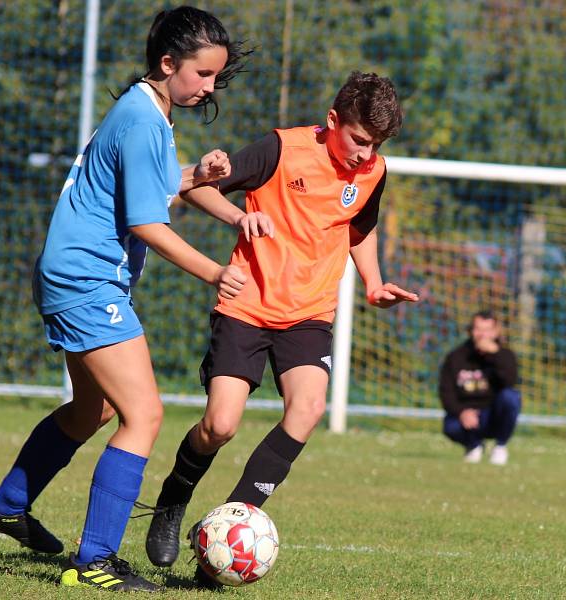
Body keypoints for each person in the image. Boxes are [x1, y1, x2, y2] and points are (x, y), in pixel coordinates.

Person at [0, 6, 254, 593]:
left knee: (91, 410)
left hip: (74, 274)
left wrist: (199, 177)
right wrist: (213, 272)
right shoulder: (144, 119)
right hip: (86, 280)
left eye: (215, 77)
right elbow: (147, 222)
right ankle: (93, 559)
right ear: (168, 62)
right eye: (201, 74)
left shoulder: (143, 109)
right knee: (144, 415)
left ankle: (6, 504)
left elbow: (152, 186)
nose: (208, 87)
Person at [142, 71, 419, 585]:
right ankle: (172, 500)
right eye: (359, 139)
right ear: (333, 121)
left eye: (376, 145)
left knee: (308, 408)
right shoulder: (280, 149)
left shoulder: (373, 172)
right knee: (219, 426)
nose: (365, 153)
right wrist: (236, 218)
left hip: (310, 314)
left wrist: (374, 282)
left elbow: (360, 225)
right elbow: (198, 188)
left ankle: (226, 528)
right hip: (246, 305)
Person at [439, 310, 520, 465]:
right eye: (478, 329)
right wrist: (461, 412)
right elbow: (446, 392)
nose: (482, 335)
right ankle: (474, 445)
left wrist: (495, 355)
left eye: (487, 330)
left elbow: (510, 382)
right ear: (471, 330)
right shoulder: (456, 357)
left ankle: (500, 446)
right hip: (467, 416)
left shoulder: (505, 355)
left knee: (511, 397)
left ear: (496, 332)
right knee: (450, 426)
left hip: (493, 415)